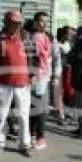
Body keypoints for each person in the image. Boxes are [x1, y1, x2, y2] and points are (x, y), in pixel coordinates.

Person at [0, 10, 35, 156]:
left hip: (23, 82)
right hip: (2, 83)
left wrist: (32, 75)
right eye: (13, 23)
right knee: (1, 115)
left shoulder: (27, 37)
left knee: (23, 114)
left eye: (18, 23)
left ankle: (25, 144)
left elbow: (33, 57)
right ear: (6, 22)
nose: (16, 25)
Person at [29, 12, 52, 150]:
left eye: (46, 21)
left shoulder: (44, 36)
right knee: (41, 108)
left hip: (43, 75)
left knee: (36, 107)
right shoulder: (37, 37)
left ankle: (33, 135)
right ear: (36, 22)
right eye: (41, 21)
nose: (44, 24)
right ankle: (40, 137)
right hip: (39, 76)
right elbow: (36, 59)